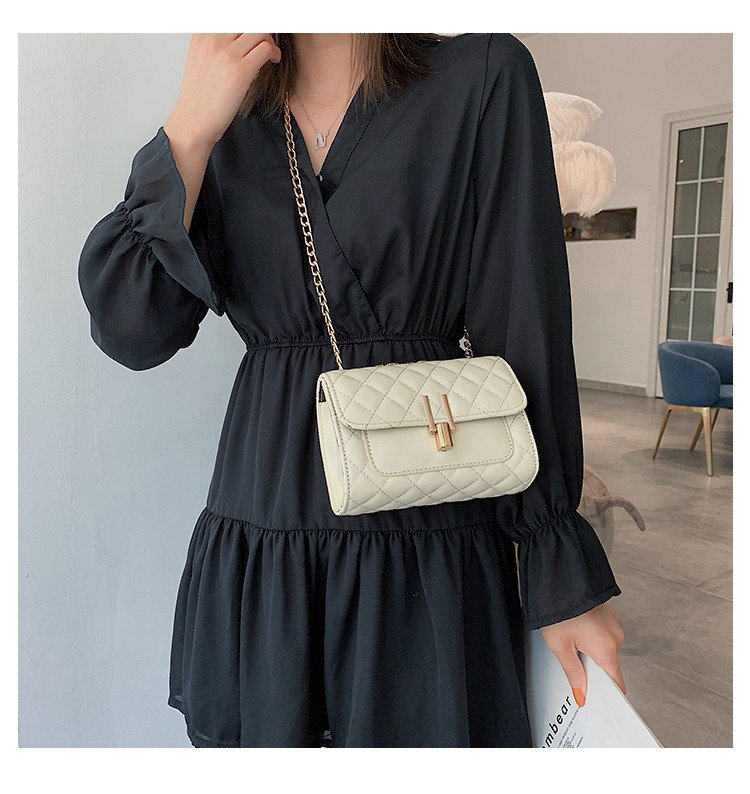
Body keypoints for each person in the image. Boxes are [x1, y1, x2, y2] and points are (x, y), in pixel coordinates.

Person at [78, 33, 624, 748]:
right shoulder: (225, 111)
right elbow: (132, 330)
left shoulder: (482, 76)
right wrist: (188, 129)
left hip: (428, 531)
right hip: (264, 528)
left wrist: (559, 569)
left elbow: (526, 326)